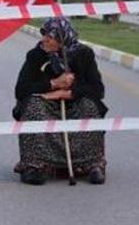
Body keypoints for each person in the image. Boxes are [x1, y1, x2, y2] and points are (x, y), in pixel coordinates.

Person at [13, 17, 108, 185]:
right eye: (44, 36)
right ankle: (35, 166)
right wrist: (53, 84)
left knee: (89, 107)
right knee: (34, 107)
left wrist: (69, 93)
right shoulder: (36, 55)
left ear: (62, 38)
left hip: (74, 102)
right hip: (46, 104)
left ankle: (92, 165)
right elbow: (21, 90)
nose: (44, 40)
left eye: (49, 37)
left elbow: (97, 89)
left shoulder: (84, 54)